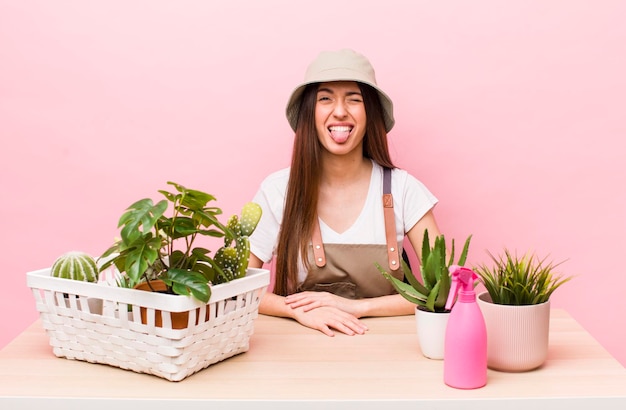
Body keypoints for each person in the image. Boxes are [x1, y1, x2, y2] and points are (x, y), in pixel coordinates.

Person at [247, 49, 441, 337]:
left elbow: (444, 289)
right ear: (309, 113)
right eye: (325, 99)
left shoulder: (403, 190)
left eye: (354, 99)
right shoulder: (278, 191)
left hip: (394, 353)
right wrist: (296, 310)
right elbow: (236, 288)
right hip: (298, 352)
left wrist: (356, 307)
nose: (340, 111)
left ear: (370, 113)